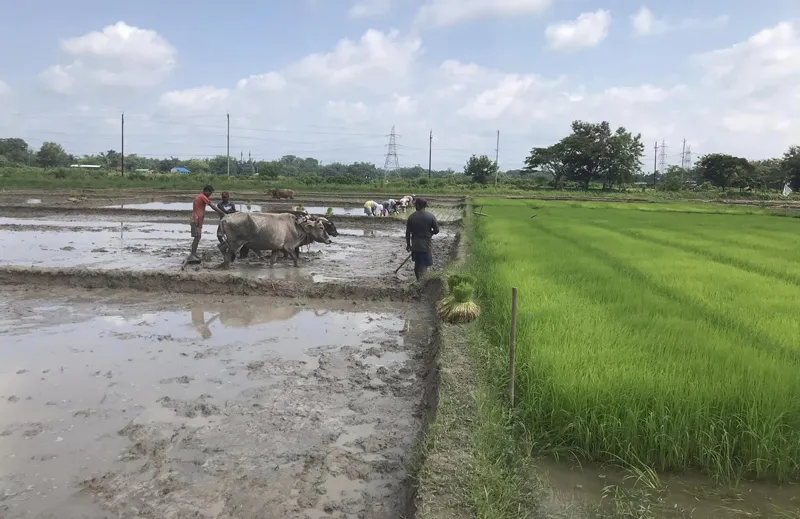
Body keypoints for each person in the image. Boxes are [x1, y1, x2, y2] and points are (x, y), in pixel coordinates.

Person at [405, 197, 440, 280]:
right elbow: (437, 230)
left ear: (417, 205)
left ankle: (420, 281)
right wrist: (430, 233)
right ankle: (423, 282)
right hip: (426, 245)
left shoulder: (411, 217)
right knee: (424, 265)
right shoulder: (430, 216)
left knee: (418, 265)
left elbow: (407, 233)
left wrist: (408, 245)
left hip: (416, 245)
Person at [189, 184, 225, 262]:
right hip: (196, 220)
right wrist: (221, 213)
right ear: (206, 191)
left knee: (197, 237)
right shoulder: (202, 197)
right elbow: (212, 206)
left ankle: (194, 254)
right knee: (197, 237)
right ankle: (192, 255)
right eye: (210, 193)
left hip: (197, 219)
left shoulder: (200, 196)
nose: (210, 195)